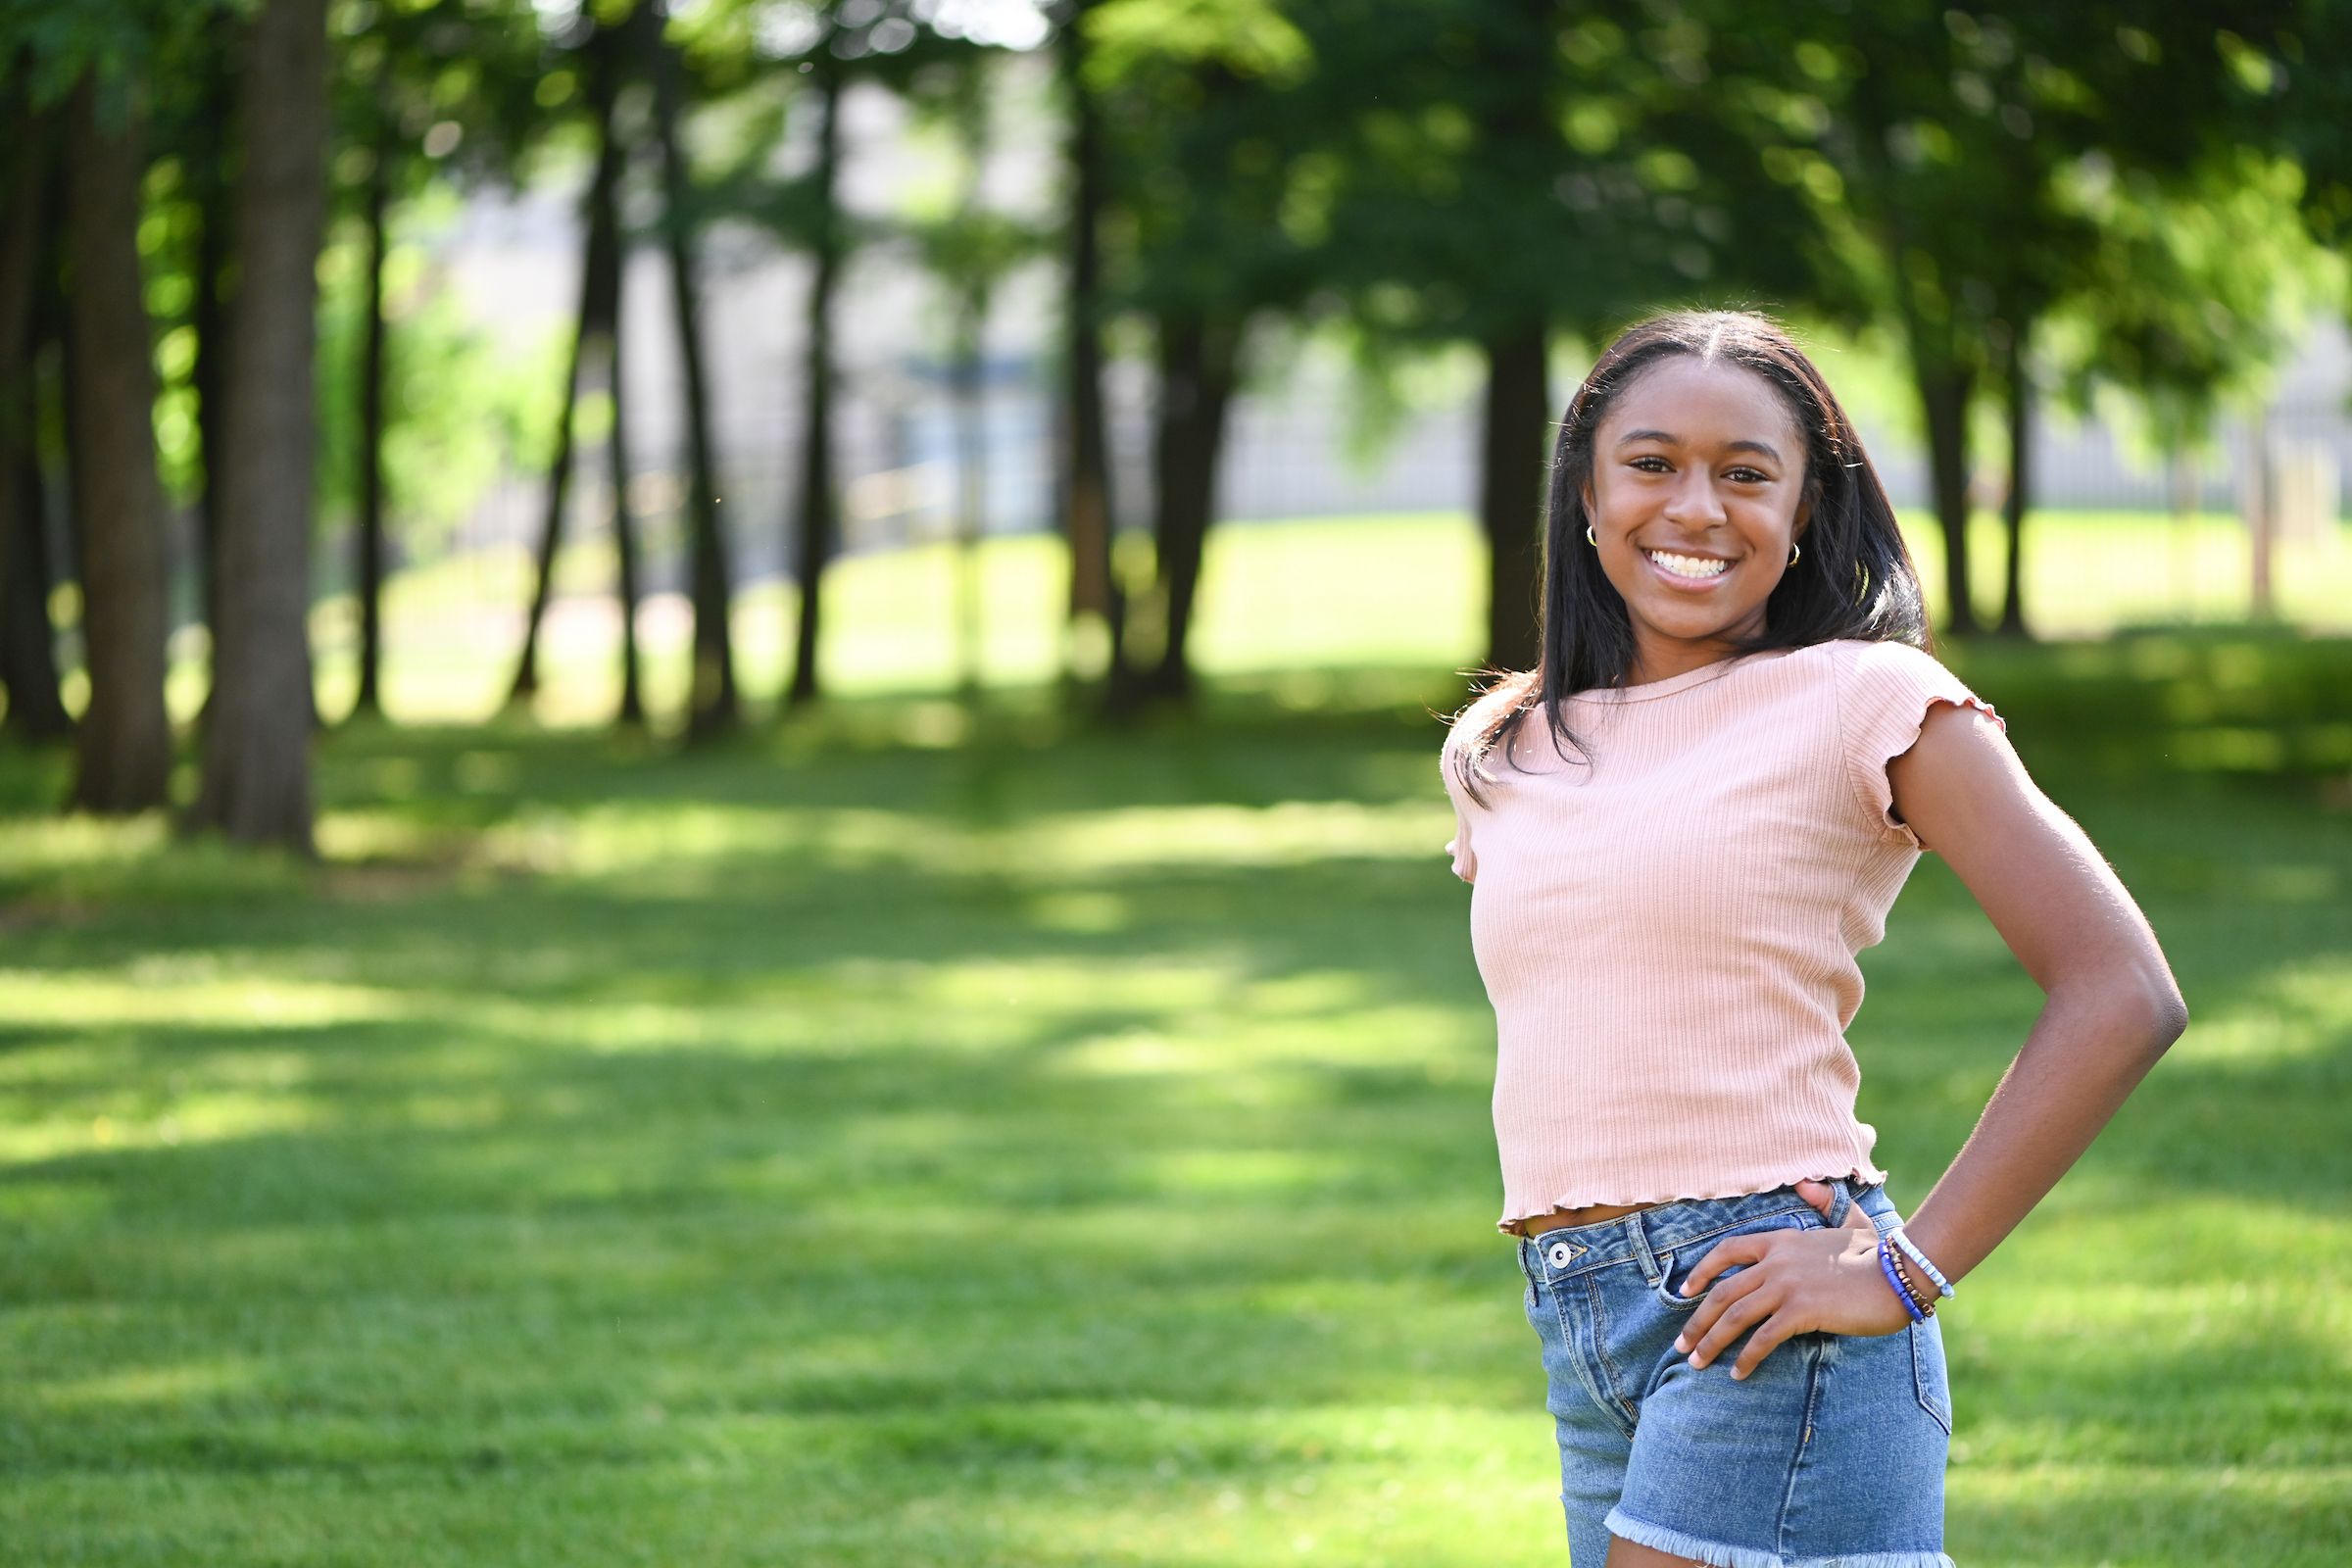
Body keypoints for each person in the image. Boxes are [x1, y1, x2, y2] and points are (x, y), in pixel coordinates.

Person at [1439, 311, 2184, 1568]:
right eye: (1652, 462)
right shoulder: (1505, 746)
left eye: (1745, 473)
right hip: (1579, 1304)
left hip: (1768, 1282)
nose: (1696, 507)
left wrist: (1906, 1271)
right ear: (1584, 490)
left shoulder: (1868, 698)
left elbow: (2123, 988)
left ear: (1800, 514)